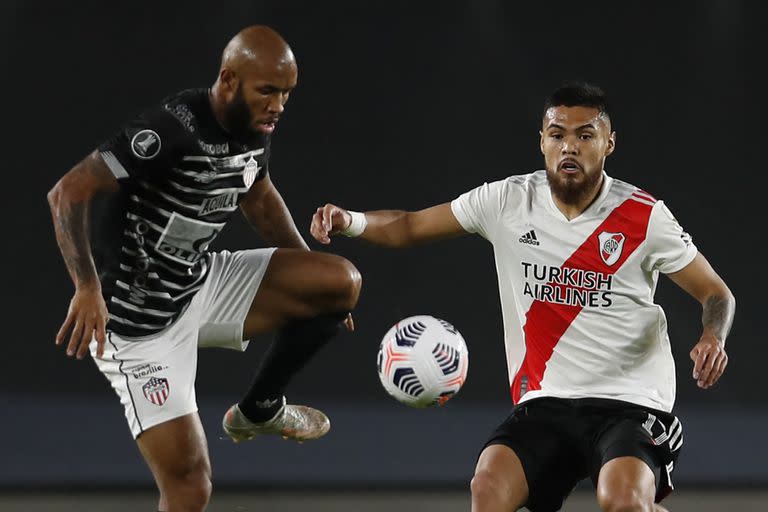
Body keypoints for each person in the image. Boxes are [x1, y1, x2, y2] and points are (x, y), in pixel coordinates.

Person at [310, 82, 735, 512]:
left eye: (585, 135)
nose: (569, 146)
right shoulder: (507, 201)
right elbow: (410, 226)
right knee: (488, 488)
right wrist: (351, 221)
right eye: (558, 135)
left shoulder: (644, 215)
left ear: (609, 144)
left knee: (622, 502)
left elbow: (716, 292)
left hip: (630, 402)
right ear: (542, 142)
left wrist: (712, 336)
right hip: (544, 402)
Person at [47, 25, 361, 512]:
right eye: (268, 91)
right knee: (191, 488)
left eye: (287, 93)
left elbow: (259, 198)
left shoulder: (256, 130)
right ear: (229, 79)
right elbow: (67, 192)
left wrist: (313, 272)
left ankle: (258, 411)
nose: (278, 104)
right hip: (137, 327)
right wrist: (87, 286)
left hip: (198, 283)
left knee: (340, 282)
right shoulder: (171, 129)